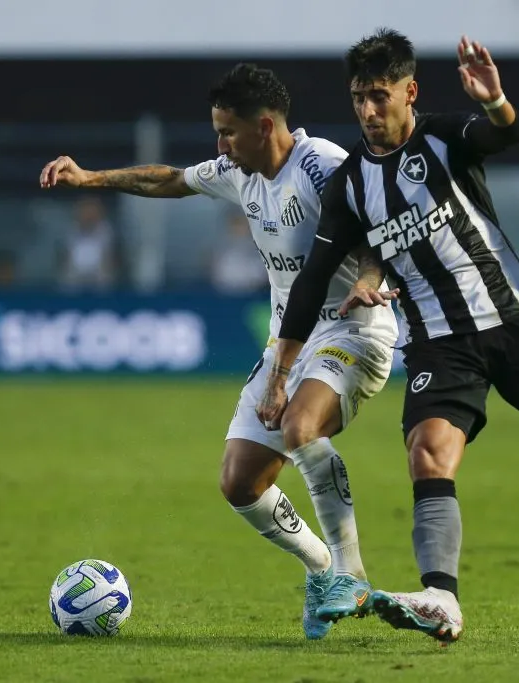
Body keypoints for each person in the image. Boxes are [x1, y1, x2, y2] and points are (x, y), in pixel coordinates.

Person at [256, 29, 519, 644]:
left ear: (409, 92)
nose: (368, 111)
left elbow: (506, 134)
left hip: (511, 320)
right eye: (358, 99)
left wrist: (496, 100)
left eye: (379, 96)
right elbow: (312, 281)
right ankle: (442, 598)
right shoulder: (348, 185)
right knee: (427, 452)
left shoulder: (445, 136)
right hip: (436, 341)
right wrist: (284, 371)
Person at [39, 63, 399, 638]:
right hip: (288, 341)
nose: (219, 144)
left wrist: (369, 277)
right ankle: (322, 567)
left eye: (227, 131)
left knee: (302, 427)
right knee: (239, 481)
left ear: (264, 126)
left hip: (355, 331)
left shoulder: (323, 168)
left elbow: (377, 226)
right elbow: (169, 179)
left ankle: (351, 576)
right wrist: (89, 179)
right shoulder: (241, 171)